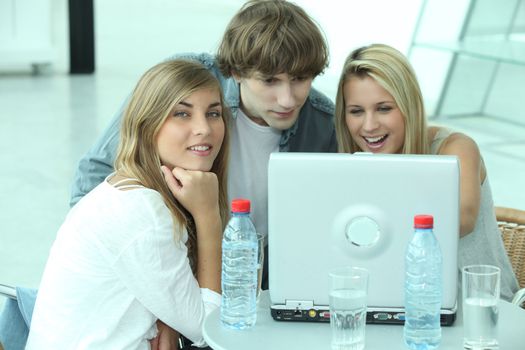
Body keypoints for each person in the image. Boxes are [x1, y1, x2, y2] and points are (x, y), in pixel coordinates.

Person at [70, 0, 336, 259]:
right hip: (174, 260)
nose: (287, 99)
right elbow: (97, 170)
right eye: (269, 81)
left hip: (258, 276)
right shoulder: (189, 81)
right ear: (236, 72)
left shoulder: (324, 124)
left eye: (300, 79)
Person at [25, 59, 230, 349]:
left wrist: (167, 318)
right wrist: (208, 217)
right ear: (148, 124)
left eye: (213, 113)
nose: (204, 129)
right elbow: (208, 329)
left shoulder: (129, 190)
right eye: (182, 113)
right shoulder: (144, 212)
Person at [334, 43, 519, 301]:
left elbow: (461, 220)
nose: (369, 125)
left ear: (409, 106)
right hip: (403, 305)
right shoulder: (351, 163)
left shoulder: (455, 147)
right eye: (356, 112)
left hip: (482, 307)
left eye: (384, 108)